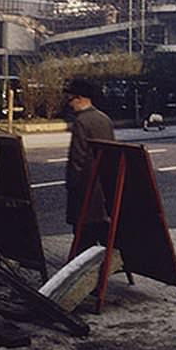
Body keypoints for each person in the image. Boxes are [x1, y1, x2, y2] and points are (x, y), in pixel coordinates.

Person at [64, 77, 115, 250]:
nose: (69, 104)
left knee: (82, 240)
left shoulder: (81, 122)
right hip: (103, 190)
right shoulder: (105, 119)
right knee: (103, 235)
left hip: (84, 191)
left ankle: (81, 272)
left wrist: (71, 184)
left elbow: (77, 160)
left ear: (80, 98)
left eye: (70, 99)